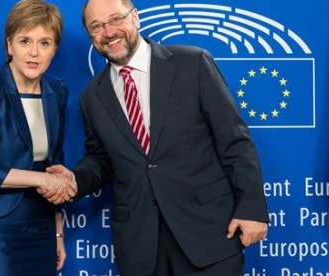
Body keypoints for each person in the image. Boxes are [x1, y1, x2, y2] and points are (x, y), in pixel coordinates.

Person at [42, 0, 269, 275]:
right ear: (90, 35)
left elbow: (234, 140)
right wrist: (74, 180)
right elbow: (102, 160)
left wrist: (253, 208)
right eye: (97, 26)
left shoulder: (192, 62)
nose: (109, 32)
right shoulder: (92, 96)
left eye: (115, 19)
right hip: (141, 247)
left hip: (208, 234)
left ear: (135, 18)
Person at [0, 0, 76, 275]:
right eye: (24, 41)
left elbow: (53, 162)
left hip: (40, 222)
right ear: (9, 45)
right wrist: (42, 179)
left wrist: (58, 232)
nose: (34, 53)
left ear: (54, 49)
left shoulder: (57, 90)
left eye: (45, 43)